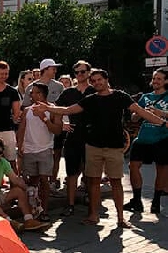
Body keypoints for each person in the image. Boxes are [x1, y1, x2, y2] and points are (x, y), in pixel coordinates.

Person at [35, 68, 167, 228]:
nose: (97, 83)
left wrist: (163, 123)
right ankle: (93, 215)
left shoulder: (120, 96)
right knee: (93, 182)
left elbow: (141, 112)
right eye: (94, 81)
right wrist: (47, 108)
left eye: (100, 80)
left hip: (114, 147)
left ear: (106, 79)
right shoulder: (90, 99)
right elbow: (67, 110)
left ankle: (120, 218)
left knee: (116, 182)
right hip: (93, 147)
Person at [124, 68, 168, 214]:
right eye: (154, 78)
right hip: (143, 137)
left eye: (159, 79)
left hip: (162, 138)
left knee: (161, 169)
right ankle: (137, 200)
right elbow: (134, 117)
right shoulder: (145, 97)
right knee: (133, 166)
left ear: (166, 81)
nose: (155, 81)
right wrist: (136, 116)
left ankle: (155, 202)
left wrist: (160, 113)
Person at [17, 82, 62, 221]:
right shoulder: (27, 110)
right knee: (32, 181)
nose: (33, 95)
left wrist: (44, 117)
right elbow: (22, 129)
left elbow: (57, 130)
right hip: (29, 150)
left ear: (43, 94)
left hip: (45, 149)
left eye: (36, 92)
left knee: (44, 180)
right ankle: (34, 209)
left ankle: (45, 211)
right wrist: (20, 147)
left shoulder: (53, 109)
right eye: (31, 93)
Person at [56, 61, 95, 216]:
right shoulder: (68, 93)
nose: (79, 75)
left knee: (90, 172)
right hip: (73, 136)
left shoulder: (94, 91)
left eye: (83, 72)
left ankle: (91, 203)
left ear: (88, 73)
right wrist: (61, 124)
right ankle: (70, 204)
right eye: (77, 72)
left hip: (92, 137)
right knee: (71, 172)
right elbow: (56, 109)